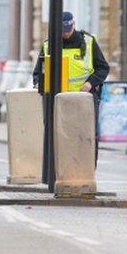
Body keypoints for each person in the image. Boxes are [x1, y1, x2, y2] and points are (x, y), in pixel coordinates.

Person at [32, 11, 109, 162]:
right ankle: (59, 169)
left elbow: (103, 68)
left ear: (73, 24)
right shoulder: (49, 45)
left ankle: (86, 169)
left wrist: (90, 83)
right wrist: (39, 84)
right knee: (57, 136)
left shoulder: (88, 42)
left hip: (83, 99)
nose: (66, 34)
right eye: (62, 31)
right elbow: (39, 73)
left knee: (86, 136)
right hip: (57, 100)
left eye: (68, 30)